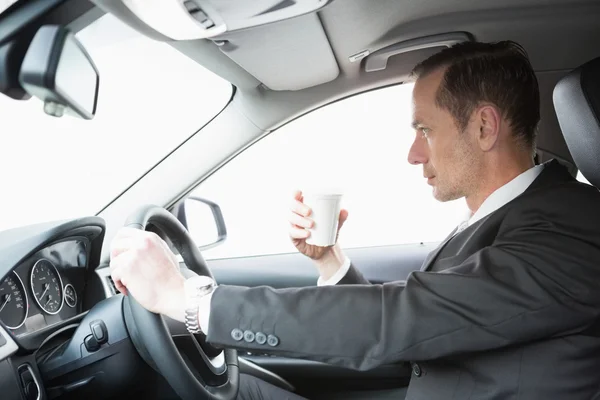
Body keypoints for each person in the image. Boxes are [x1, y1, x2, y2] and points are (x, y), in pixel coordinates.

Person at [109, 41, 600, 399]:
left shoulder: (568, 229)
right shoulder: (504, 219)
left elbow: (407, 318)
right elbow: (428, 328)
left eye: (424, 130)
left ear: (484, 126)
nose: (412, 154)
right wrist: (331, 263)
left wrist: (189, 301)